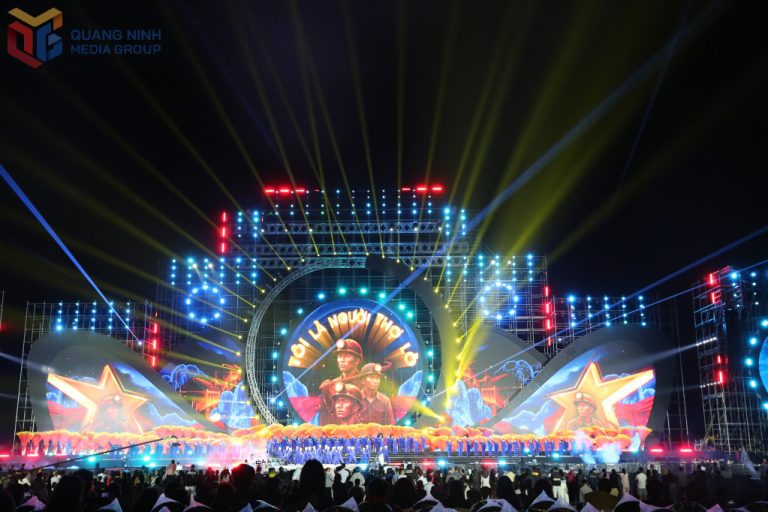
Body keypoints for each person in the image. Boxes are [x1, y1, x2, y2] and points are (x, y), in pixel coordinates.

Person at [319, 339, 364, 423]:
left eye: (347, 356)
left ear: (357, 361)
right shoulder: (332, 385)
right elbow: (327, 417)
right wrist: (326, 395)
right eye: (340, 356)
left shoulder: (365, 383)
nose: (342, 360)